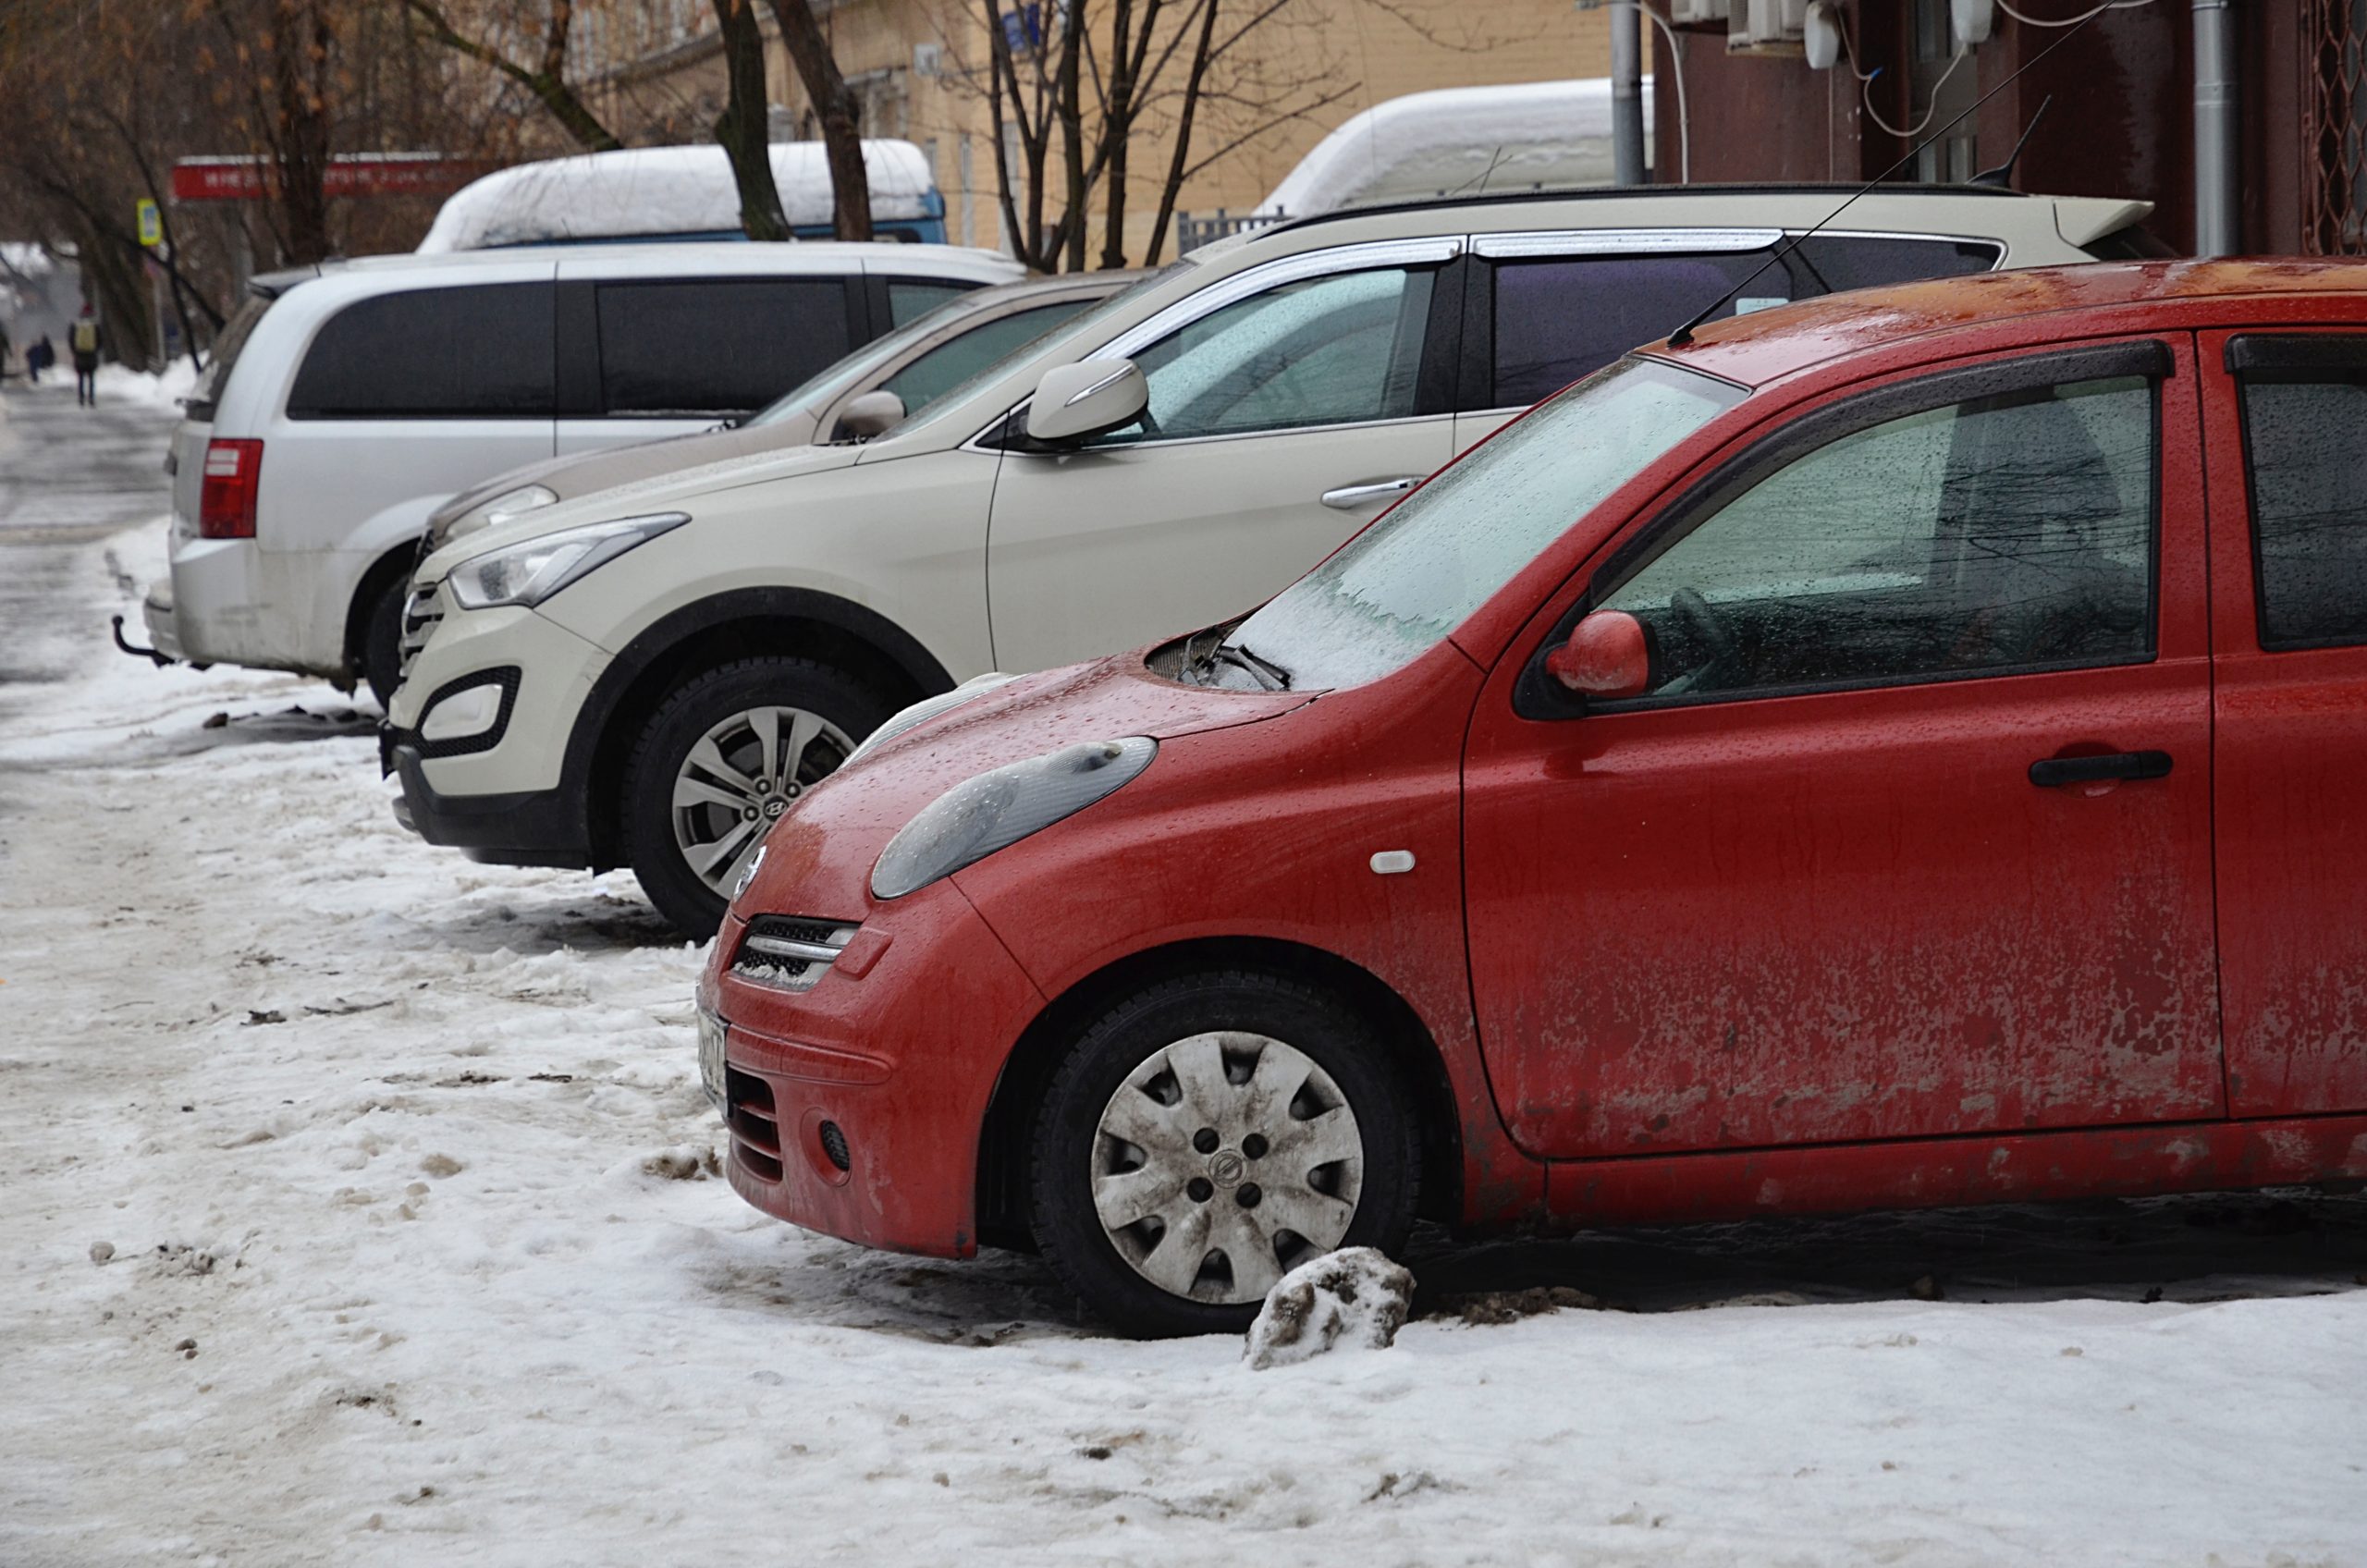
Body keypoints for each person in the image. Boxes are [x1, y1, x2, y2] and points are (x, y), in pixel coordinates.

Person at [70, 304, 101, 406]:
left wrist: (75, 352)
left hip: (80, 356)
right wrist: (95, 350)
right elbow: (100, 340)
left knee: (81, 379)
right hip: (91, 356)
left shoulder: (75, 325)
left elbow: (71, 340)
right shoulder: (95, 326)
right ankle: (91, 398)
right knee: (91, 379)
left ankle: (81, 398)